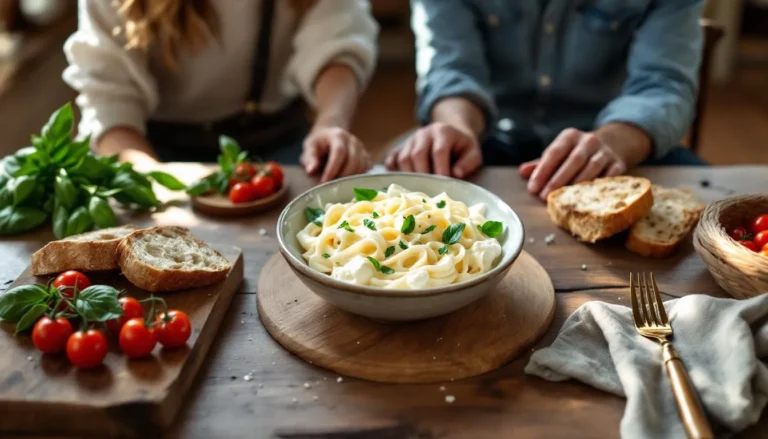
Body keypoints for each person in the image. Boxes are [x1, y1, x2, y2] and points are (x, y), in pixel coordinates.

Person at [387, 0, 706, 199]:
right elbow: (451, 68)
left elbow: (664, 84)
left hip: (614, 146)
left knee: (717, 210)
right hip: (487, 139)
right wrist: (456, 126)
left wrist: (612, 142)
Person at [63, 0, 378, 182]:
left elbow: (337, 39)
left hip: (277, 138)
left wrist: (330, 123)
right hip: (158, 147)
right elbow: (109, 97)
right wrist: (151, 177)